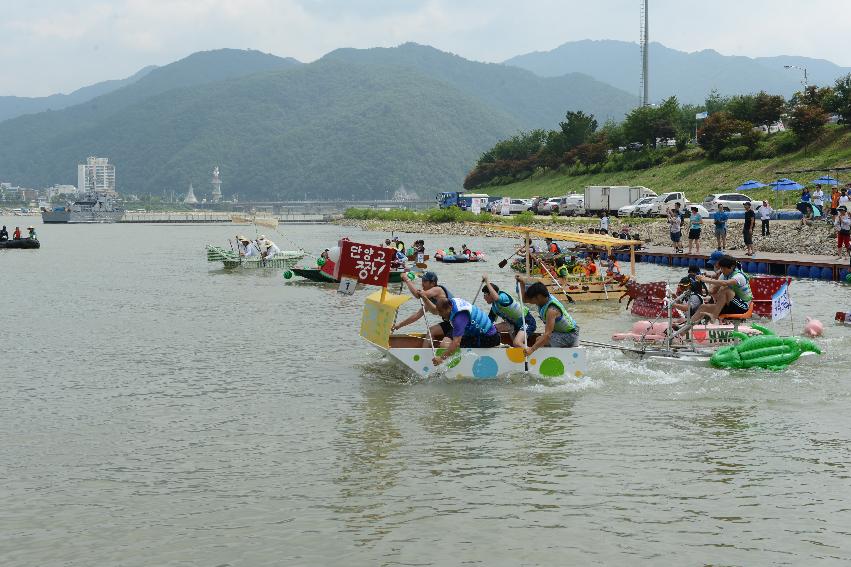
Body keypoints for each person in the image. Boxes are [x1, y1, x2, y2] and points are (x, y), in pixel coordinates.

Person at [423, 295, 500, 367]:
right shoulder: (453, 301)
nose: (440, 315)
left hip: (489, 338)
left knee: (456, 345)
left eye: (441, 312)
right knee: (451, 343)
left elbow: (456, 343)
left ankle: (461, 366)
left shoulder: (458, 319)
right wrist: (425, 298)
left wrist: (442, 358)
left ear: (449, 308)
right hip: (479, 331)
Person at [517, 278, 579, 352]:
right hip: (561, 332)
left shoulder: (551, 310)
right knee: (539, 339)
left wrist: (531, 350)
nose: (531, 301)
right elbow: (524, 300)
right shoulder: (544, 297)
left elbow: (547, 335)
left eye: (532, 299)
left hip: (570, 336)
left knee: (540, 340)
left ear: (538, 297)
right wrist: (522, 283)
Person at [393, 271, 453, 345]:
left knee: (434, 334)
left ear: (433, 283)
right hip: (450, 323)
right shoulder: (430, 299)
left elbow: (418, 295)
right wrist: (399, 325)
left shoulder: (438, 290)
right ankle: (425, 353)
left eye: (425, 281)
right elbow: (417, 315)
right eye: (422, 281)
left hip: (457, 321)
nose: (422, 284)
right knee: (431, 331)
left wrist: (406, 279)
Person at [691, 255, 752, 323]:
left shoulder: (739, 276)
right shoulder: (724, 274)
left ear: (732, 267)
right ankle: (684, 330)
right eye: (721, 268)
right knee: (703, 307)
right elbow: (712, 291)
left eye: (724, 268)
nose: (722, 271)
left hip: (743, 307)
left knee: (726, 290)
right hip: (729, 305)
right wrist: (696, 289)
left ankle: (714, 316)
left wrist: (706, 280)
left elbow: (724, 283)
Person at [482, 275, 536, 347]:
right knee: (491, 329)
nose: (484, 298)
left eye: (485, 294)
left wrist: (487, 282)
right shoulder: (494, 308)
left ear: (491, 294)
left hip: (527, 322)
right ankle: (496, 345)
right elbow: (488, 322)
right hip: (514, 325)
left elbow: (497, 298)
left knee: (517, 343)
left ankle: (531, 351)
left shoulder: (503, 297)